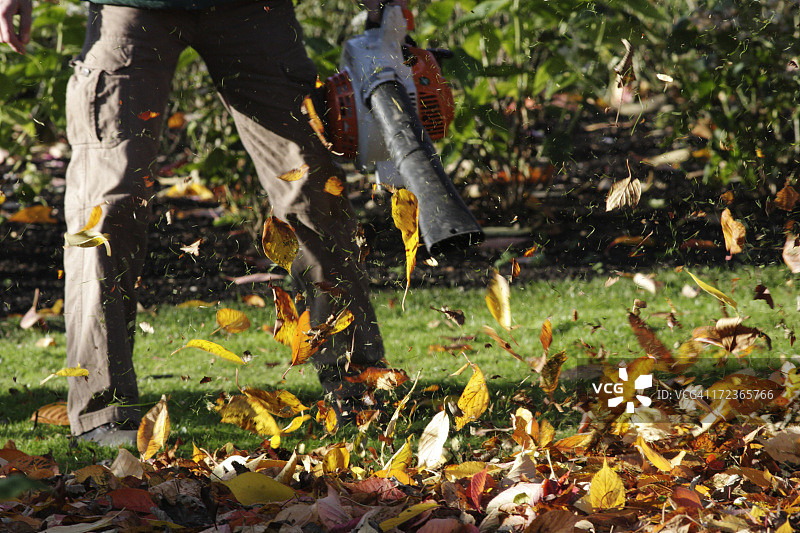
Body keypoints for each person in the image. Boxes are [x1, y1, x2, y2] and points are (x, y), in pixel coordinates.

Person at [1, 0, 394, 446]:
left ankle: (359, 390)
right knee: (106, 207)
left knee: (312, 190)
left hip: (252, 9)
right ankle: (102, 415)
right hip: (131, 8)